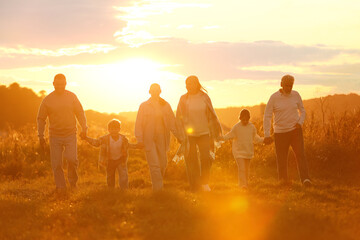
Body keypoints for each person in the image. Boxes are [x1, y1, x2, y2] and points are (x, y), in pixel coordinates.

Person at [37, 73, 87, 194]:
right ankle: (61, 187)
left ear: (65, 84)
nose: (59, 86)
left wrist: (84, 128)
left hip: (70, 134)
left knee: (72, 159)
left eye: (62, 84)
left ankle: (73, 182)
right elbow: (41, 118)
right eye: (57, 84)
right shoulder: (47, 100)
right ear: (53, 84)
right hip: (55, 135)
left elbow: (80, 113)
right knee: (56, 163)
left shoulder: (72, 97)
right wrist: (41, 135)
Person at [263, 75, 312, 187]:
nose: (289, 88)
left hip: (295, 131)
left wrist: (300, 123)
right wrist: (266, 134)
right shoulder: (274, 98)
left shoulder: (296, 95)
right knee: (281, 158)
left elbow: (302, 111)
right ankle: (283, 182)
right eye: (287, 85)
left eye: (291, 85)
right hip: (280, 133)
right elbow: (267, 116)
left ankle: (305, 179)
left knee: (300, 155)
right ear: (281, 84)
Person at [176, 75, 222, 192]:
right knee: (191, 161)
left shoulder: (204, 97)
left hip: (205, 133)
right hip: (189, 135)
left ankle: (204, 182)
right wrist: (180, 135)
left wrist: (216, 131)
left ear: (197, 84)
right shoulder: (183, 99)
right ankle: (194, 186)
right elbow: (179, 117)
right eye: (187, 83)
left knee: (206, 158)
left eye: (192, 83)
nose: (189, 86)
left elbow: (212, 114)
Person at [135, 83, 183, 191]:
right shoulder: (144, 105)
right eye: (153, 90)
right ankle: (158, 190)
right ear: (149, 91)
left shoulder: (165, 105)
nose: (155, 92)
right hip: (148, 138)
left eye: (157, 90)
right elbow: (139, 123)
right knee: (154, 165)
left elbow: (172, 122)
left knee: (162, 163)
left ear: (160, 91)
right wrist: (140, 139)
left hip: (162, 137)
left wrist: (178, 136)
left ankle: (158, 185)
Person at [221, 109, 266, 189]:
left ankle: (244, 184)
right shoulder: (236, 127)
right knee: (242, 168)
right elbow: (229, 135)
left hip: (248, 151)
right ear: (240, 118)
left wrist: (264, 140)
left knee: (246, 170)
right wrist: (221, 138)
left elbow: (256, 138)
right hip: (238, 152)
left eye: (246, 119)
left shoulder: (252, 127)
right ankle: (243, 185)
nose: (245, 121)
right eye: (243, 119)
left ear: (249, 118)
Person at [83, 119, 133, 189]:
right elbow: (96, 143)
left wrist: (138, 146)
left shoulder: (123, 139)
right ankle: (111, 190)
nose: (114, 131)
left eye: (116, 129)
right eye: (112, 129)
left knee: (123, 175)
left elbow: (129, 145)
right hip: (109, 160)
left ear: (119, 129)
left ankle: (124, 190)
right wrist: (86, 138)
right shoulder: (104, 139)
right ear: (108, 130)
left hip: (120, 159)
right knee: (110, 177)